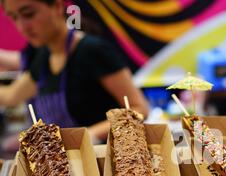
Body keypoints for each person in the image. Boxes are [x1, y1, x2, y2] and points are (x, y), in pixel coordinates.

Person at [0, 0, 149, 143]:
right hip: (63, 162)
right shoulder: (43, 57)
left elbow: (139, 109)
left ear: (57, 6)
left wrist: (88, 135)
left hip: (104, 160)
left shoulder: (92, 50)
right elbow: (11, 95)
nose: (22, 27)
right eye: (14, 18)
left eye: (29, 14)